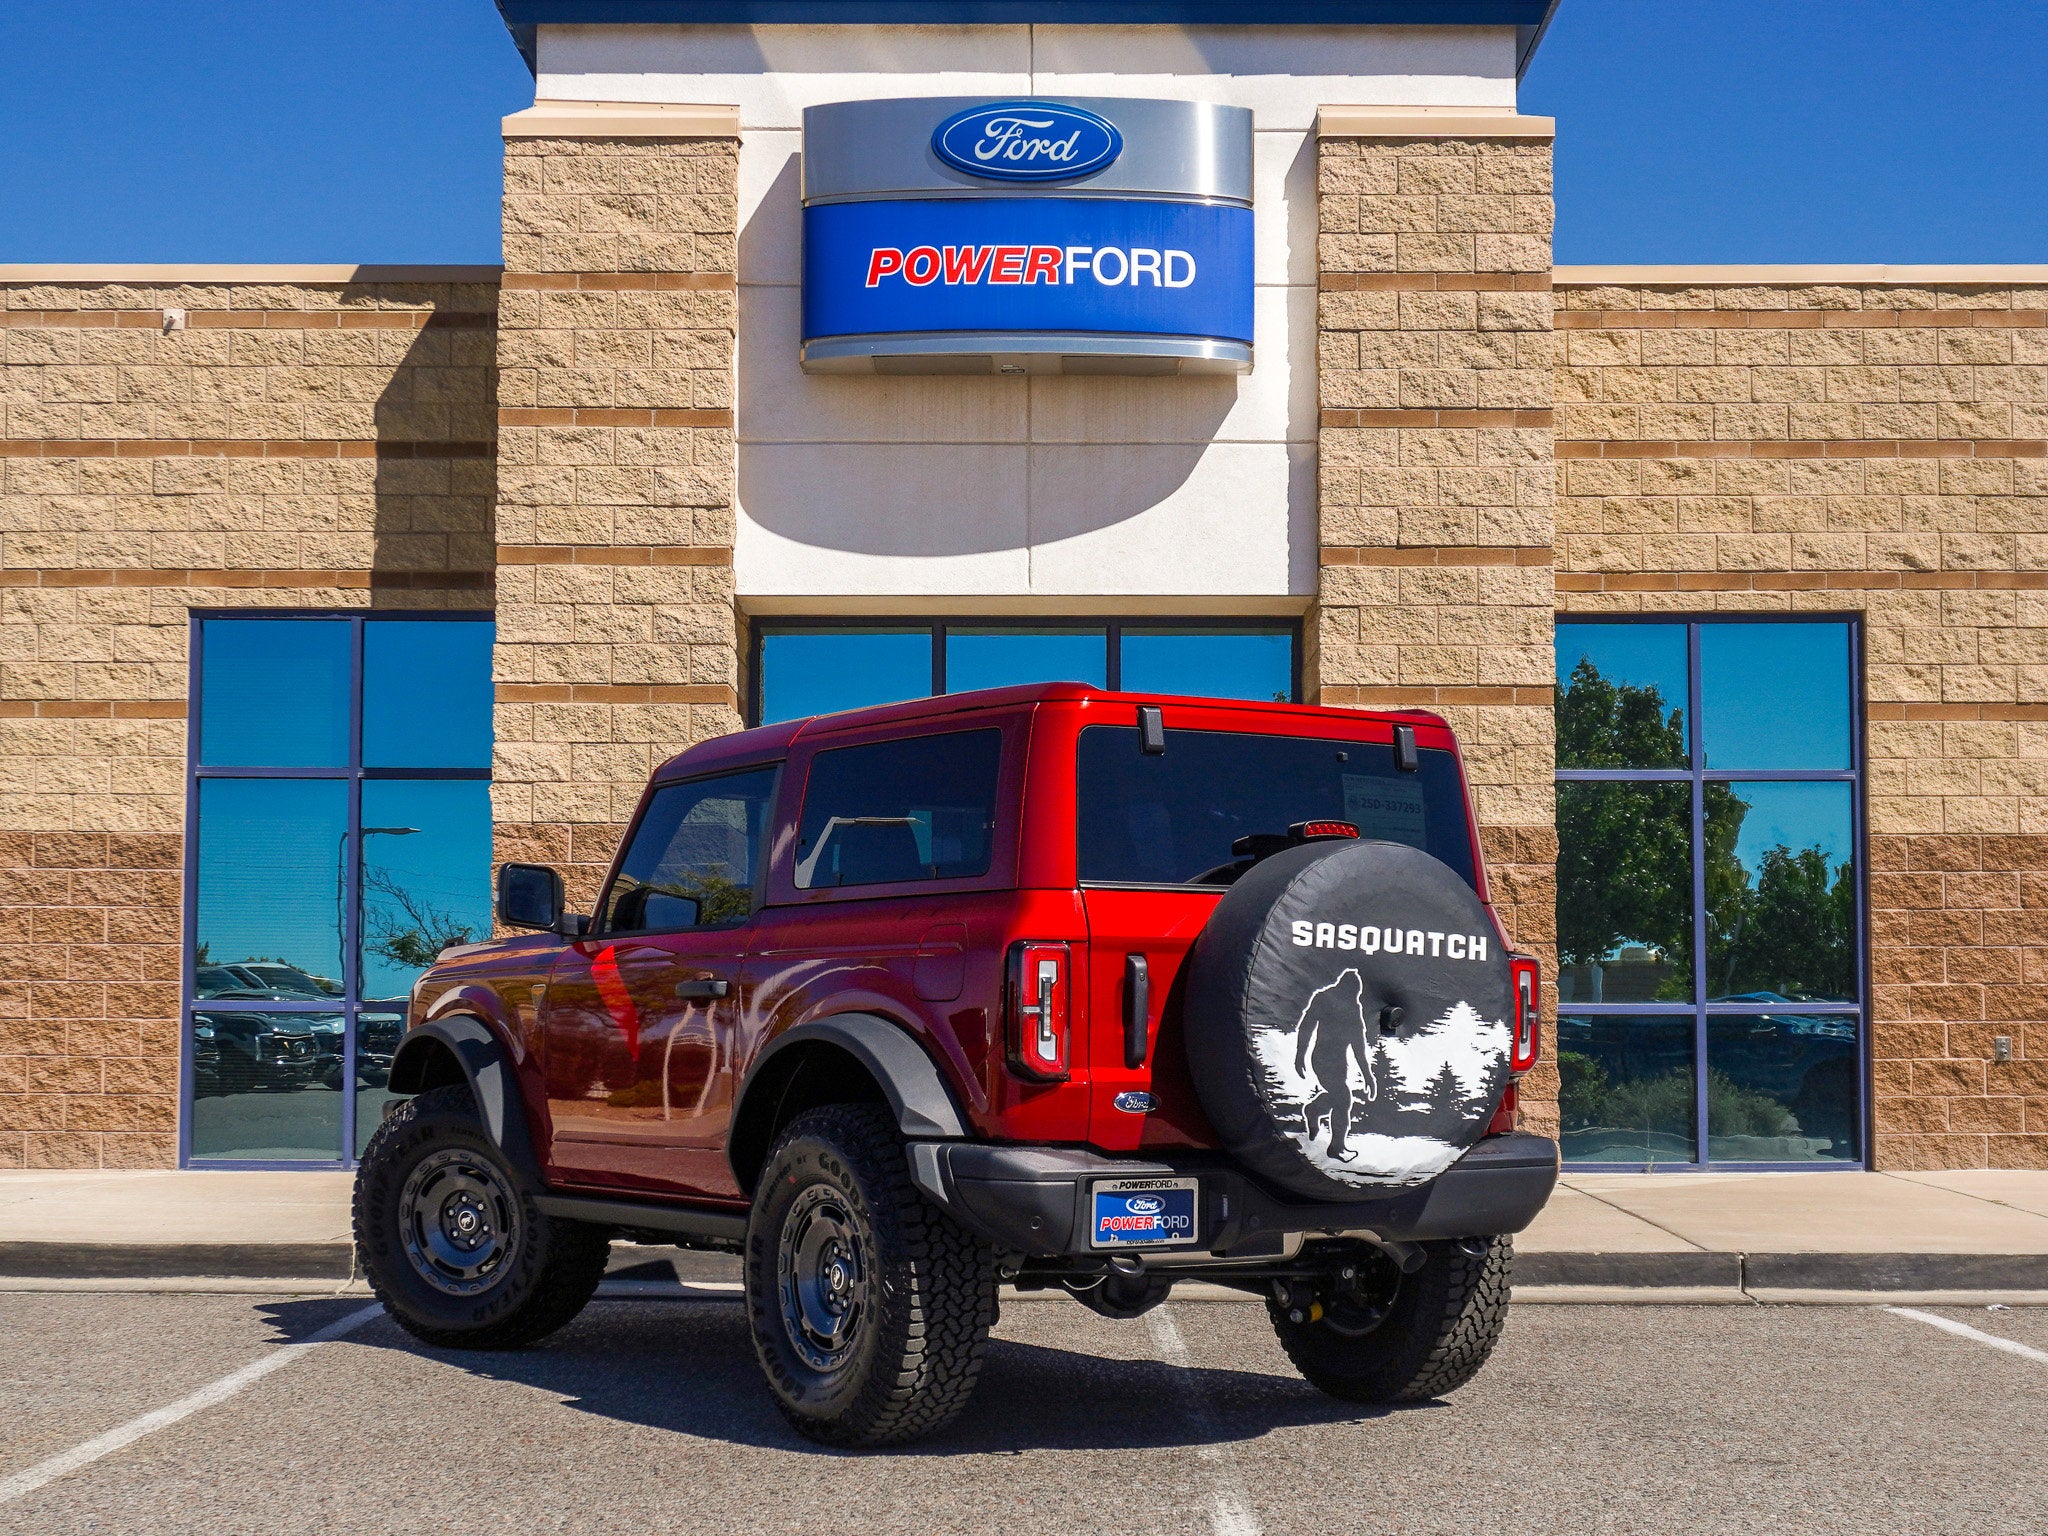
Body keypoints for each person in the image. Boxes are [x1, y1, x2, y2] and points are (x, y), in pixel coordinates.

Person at [1293, 968, 1380, 1161]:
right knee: (1343, 1099)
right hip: (1322, 1059)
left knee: (1338, 1097)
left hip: (1340, 1063)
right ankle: (1337, 1148)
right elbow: (1307, 1026)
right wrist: (1300, 1055)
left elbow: (1358, 1046)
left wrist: (1368, 1076)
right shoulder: (1324, 998)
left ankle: (1314, 1110)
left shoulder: (1353, 1008)